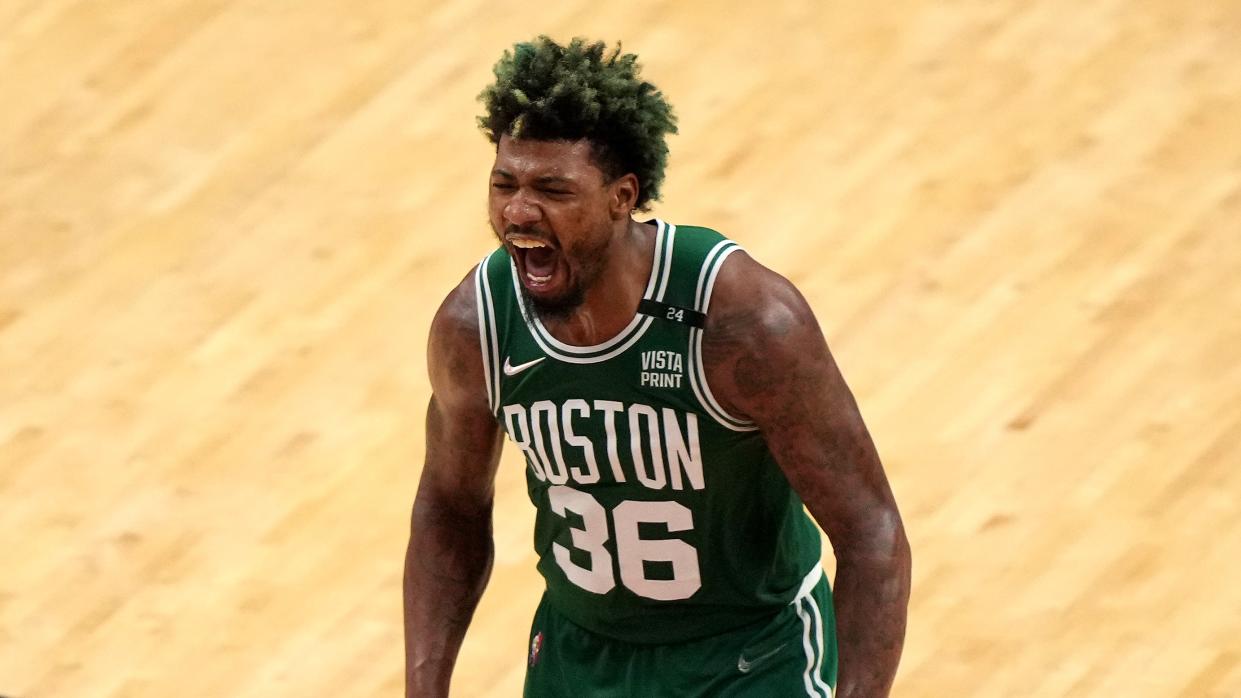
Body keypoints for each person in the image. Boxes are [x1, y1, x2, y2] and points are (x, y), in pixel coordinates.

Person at [404, 36, 911, 698]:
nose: (518, 212)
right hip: (576, 659)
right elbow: (449, 505)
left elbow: (872, 535)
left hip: (753, 659)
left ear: (622, 196)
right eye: (504, 184)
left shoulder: (742, 325)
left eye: (552, 189)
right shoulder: (477, 328)